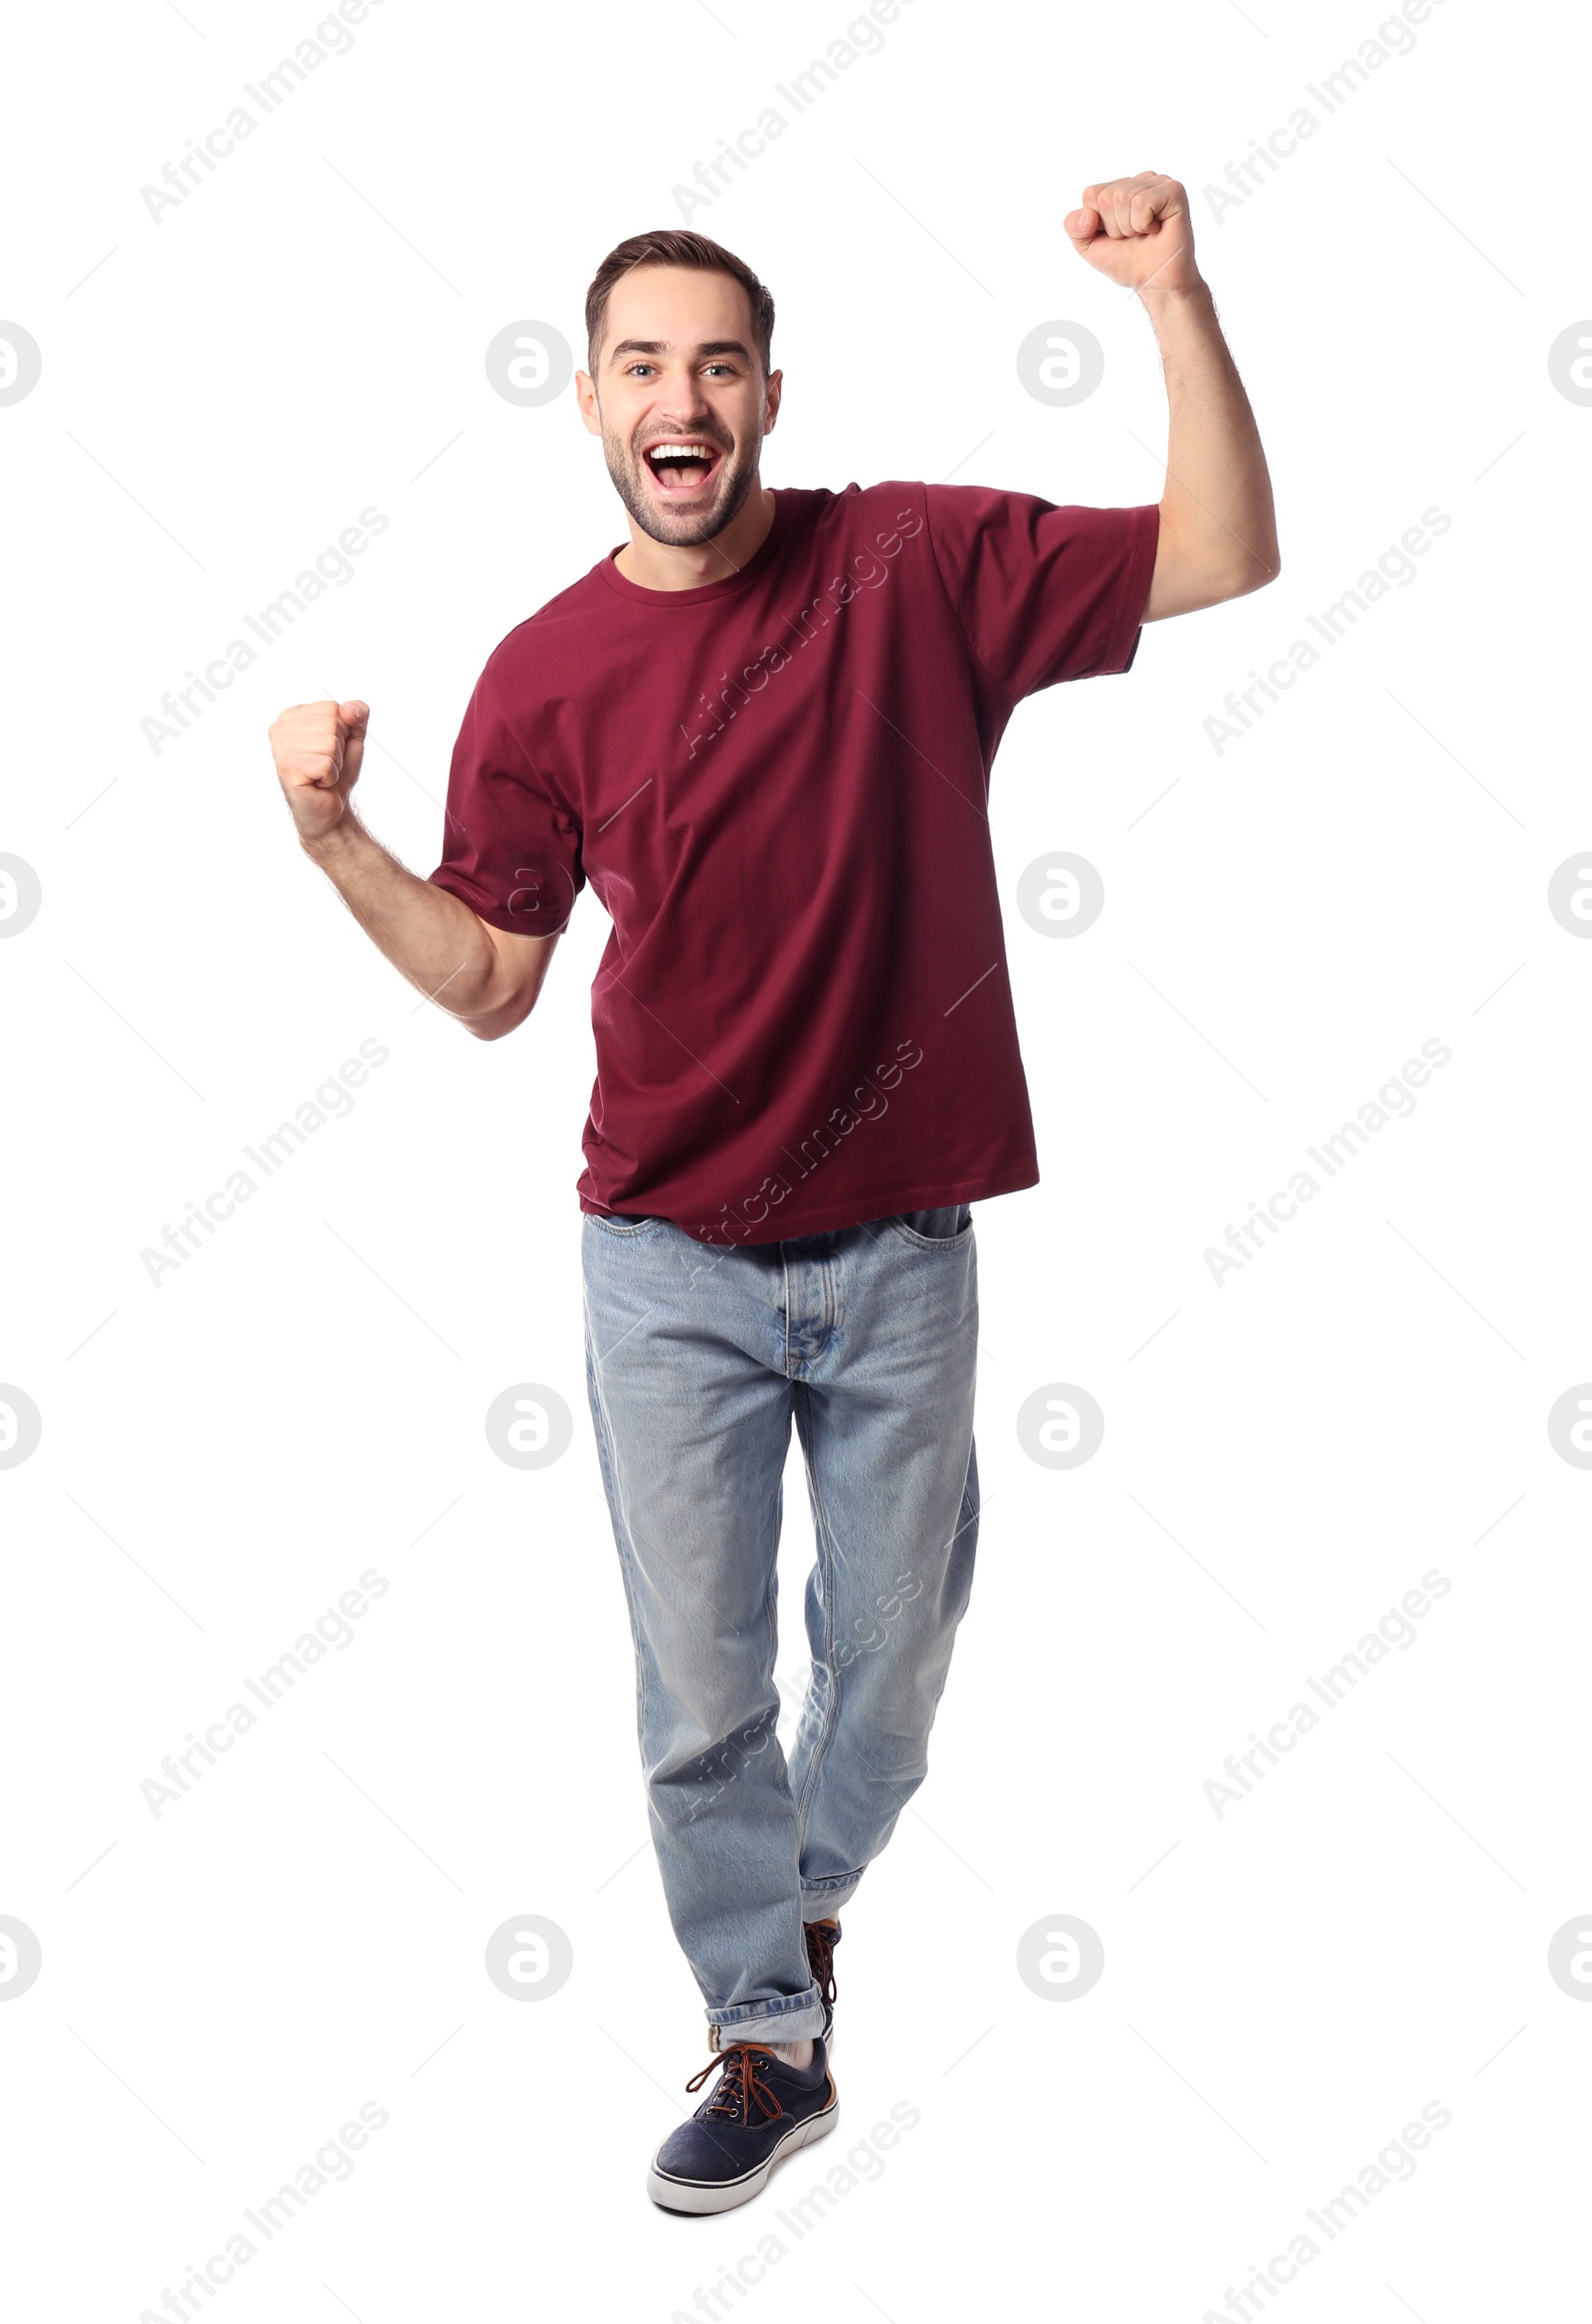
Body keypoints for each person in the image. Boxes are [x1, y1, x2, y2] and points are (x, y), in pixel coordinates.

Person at [268, 174, 1278, 2214]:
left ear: (764, 397)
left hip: (901, 1248)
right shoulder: (542, 675)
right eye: (642, 361)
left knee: (888, 1665)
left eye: (716, 361)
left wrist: (1174, 298)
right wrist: (331, 836)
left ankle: (799, 1908)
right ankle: (764, 2031)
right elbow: (487, 984)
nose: (681, 393)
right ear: (589, 404)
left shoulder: (904, 558)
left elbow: (1221, 553)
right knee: (702, 1690)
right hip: (662, 1264)